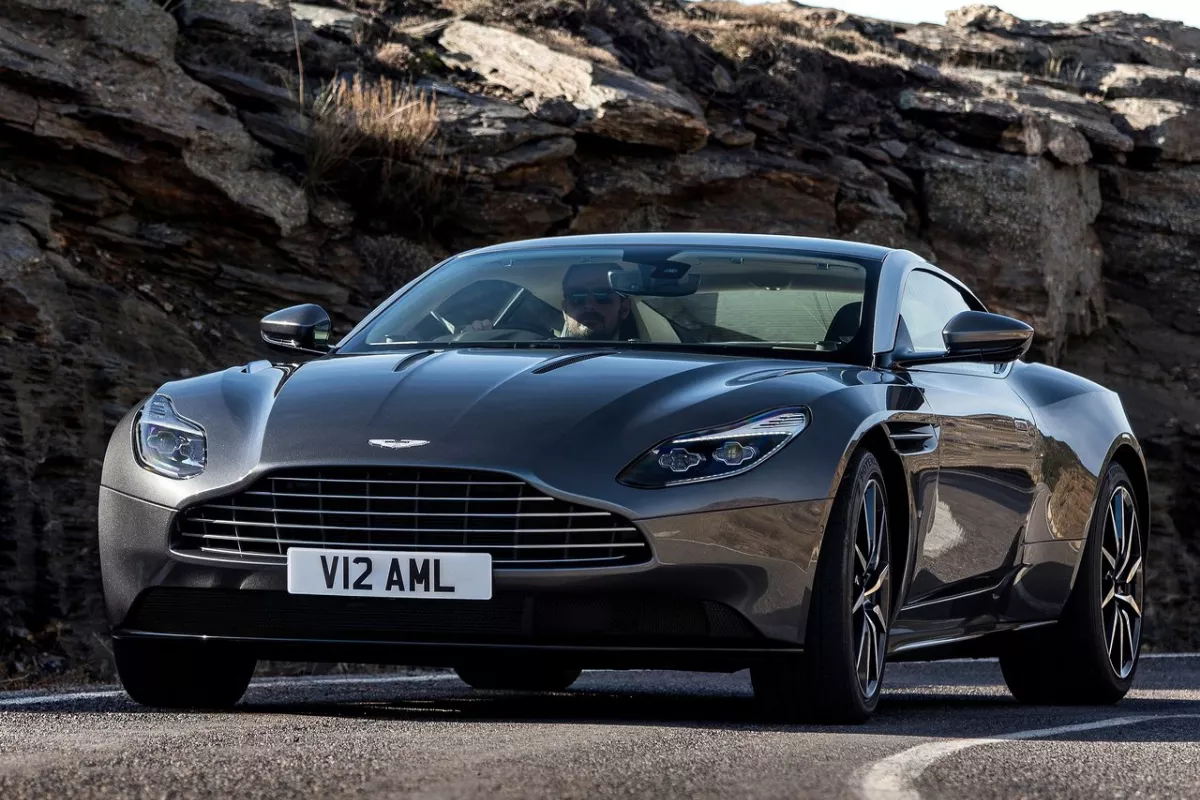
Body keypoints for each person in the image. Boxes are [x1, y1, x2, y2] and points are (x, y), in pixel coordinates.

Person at [468, 262, 634, 340]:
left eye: (602, 296)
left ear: (624, 308)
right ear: (564, 310)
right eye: (577, 297)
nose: (589, 305)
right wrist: (475, 341)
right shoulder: (525, 355)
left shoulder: (650, 362)